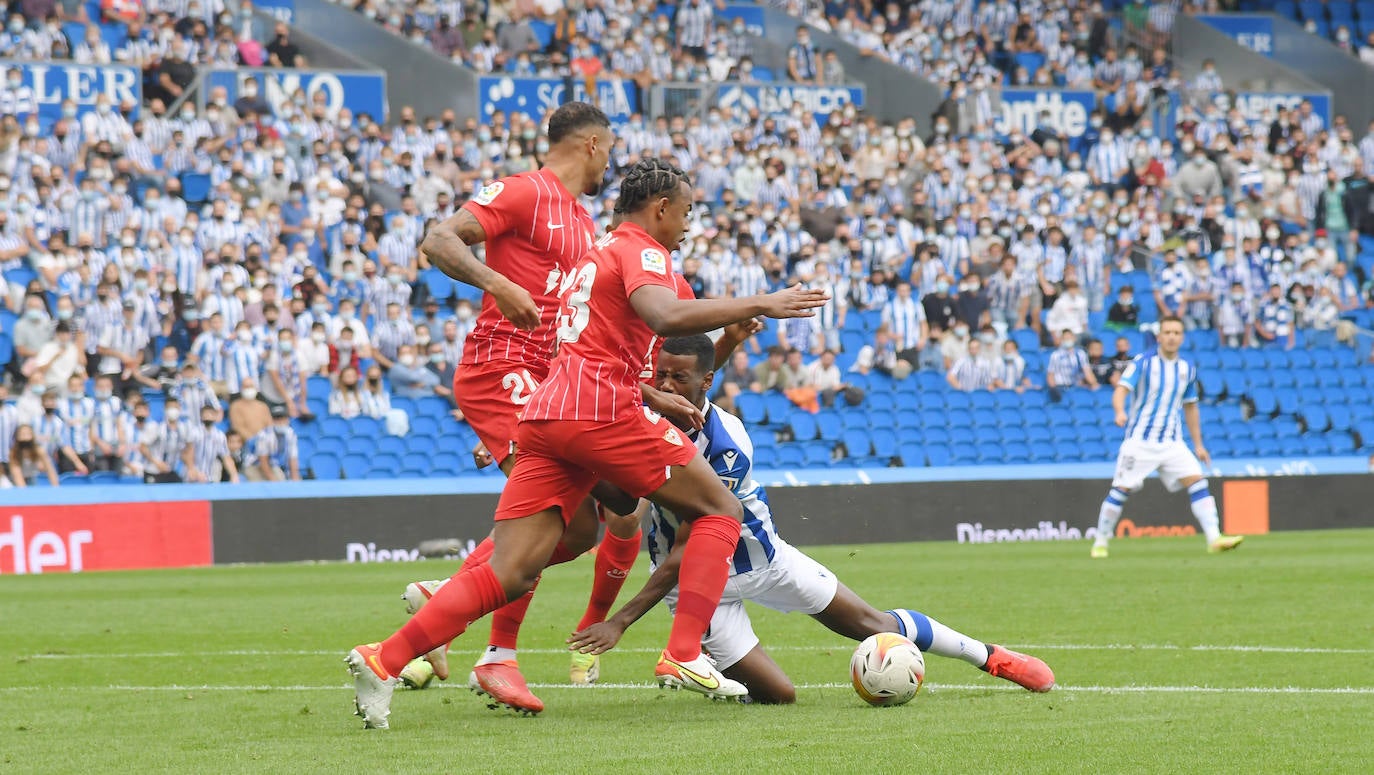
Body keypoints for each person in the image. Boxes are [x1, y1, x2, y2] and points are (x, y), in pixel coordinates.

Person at [346, 159, 827, 729]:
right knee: (721, 510)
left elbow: (641, 340)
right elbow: (665, 316)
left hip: (550, 414)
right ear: (661, 209)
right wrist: (759, 302)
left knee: (513, 568)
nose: (689, 226)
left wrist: (679, 377)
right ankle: (682, 653)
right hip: (601, 410)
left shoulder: (596, 255)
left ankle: (384, 658)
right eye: (687, 213)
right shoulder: (643, 250)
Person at [566, 335, 1055, 702]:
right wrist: (579, 460)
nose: (667, 386)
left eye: (679, 378)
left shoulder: (726, 443)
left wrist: (622, 621)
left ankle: (990, 657)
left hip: (764, 561)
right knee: (780, 697)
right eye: (661, 376)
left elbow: (693, 545)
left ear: (706, 383)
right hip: (695, 591)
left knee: (872, 622)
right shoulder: (641, 425)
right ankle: (710, 657)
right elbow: (625, 504)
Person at [390, 102, 653, 707]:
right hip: (503, 368)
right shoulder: (524, 192)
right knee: (546, 523)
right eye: (608, 150)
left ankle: (450, 596)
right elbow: (438, 239)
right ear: (590, 144)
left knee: (586, 524)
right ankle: (497, 654)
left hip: (549, 382)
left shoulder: (583, 223)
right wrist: (500, 285)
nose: (610, 162)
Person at [1091, 316, 1244, 559]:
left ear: (1182, 338)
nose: (1172, 336)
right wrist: (1119, 411)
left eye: (1176, 332)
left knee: (1197, 481)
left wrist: (1199, 445)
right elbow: (1121, 389)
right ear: (1159, 336)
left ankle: (1214, 538)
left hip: (1172, 442)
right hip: (1140, 440)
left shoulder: (1187, 369)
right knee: (1121, 489)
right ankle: (1100, 542)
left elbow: (1191, 407)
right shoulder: (1143, 363)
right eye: (1168, 332)